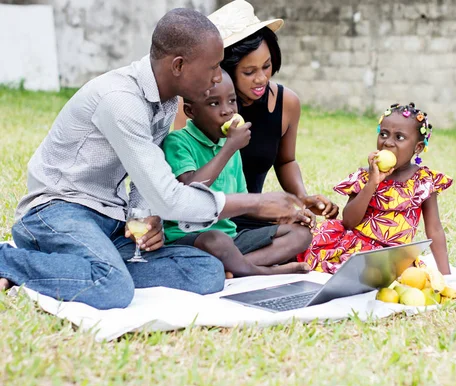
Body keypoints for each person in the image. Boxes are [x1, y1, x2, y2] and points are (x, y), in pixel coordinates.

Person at [0, 9, 310, 309]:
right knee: (113, 288)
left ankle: (81, 266)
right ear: (179, 65)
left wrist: (146, 218)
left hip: (110, 220)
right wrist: (256, 203)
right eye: (213, 67)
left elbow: (147, 183)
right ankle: (8, 260)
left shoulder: (164, 102)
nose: (218, 77)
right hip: (56, 212)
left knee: (207, 271)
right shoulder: (121, 100)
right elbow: (170, 197)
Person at [174, 0, 339, 231]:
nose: (262, 78)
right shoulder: (193, 106)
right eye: (249, 72)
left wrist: (303, 198)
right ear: (224, 69)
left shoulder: (286, 102)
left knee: (300, 231)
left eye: (267, 66)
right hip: (205, 222)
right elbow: (179, 178)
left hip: (255, 215)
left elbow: (286, 161)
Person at [162, 70, 311, 277]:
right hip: (190, 239)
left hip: (231, 239)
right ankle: (259, 271)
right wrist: (229, 148)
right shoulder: (178, 141)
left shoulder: (231, 148)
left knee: (300, 234)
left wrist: (284, 214)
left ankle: (233, 267)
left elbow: (243, 203)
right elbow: (190, 189)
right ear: (190, 111)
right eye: (214, 103)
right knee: (215, 239)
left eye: (232, 101)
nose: (227, 111)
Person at [299, 103, 453, 275]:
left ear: (417, 148)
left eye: (399, 137)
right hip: (356, 248)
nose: (388, 142)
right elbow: (348, 222)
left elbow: (435, 230)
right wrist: (372, 183)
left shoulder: (424, 181)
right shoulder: (366, 176)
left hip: (393, 256)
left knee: (404, 278)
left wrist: (446, 276)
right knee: (309, 247)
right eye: (383, 134)